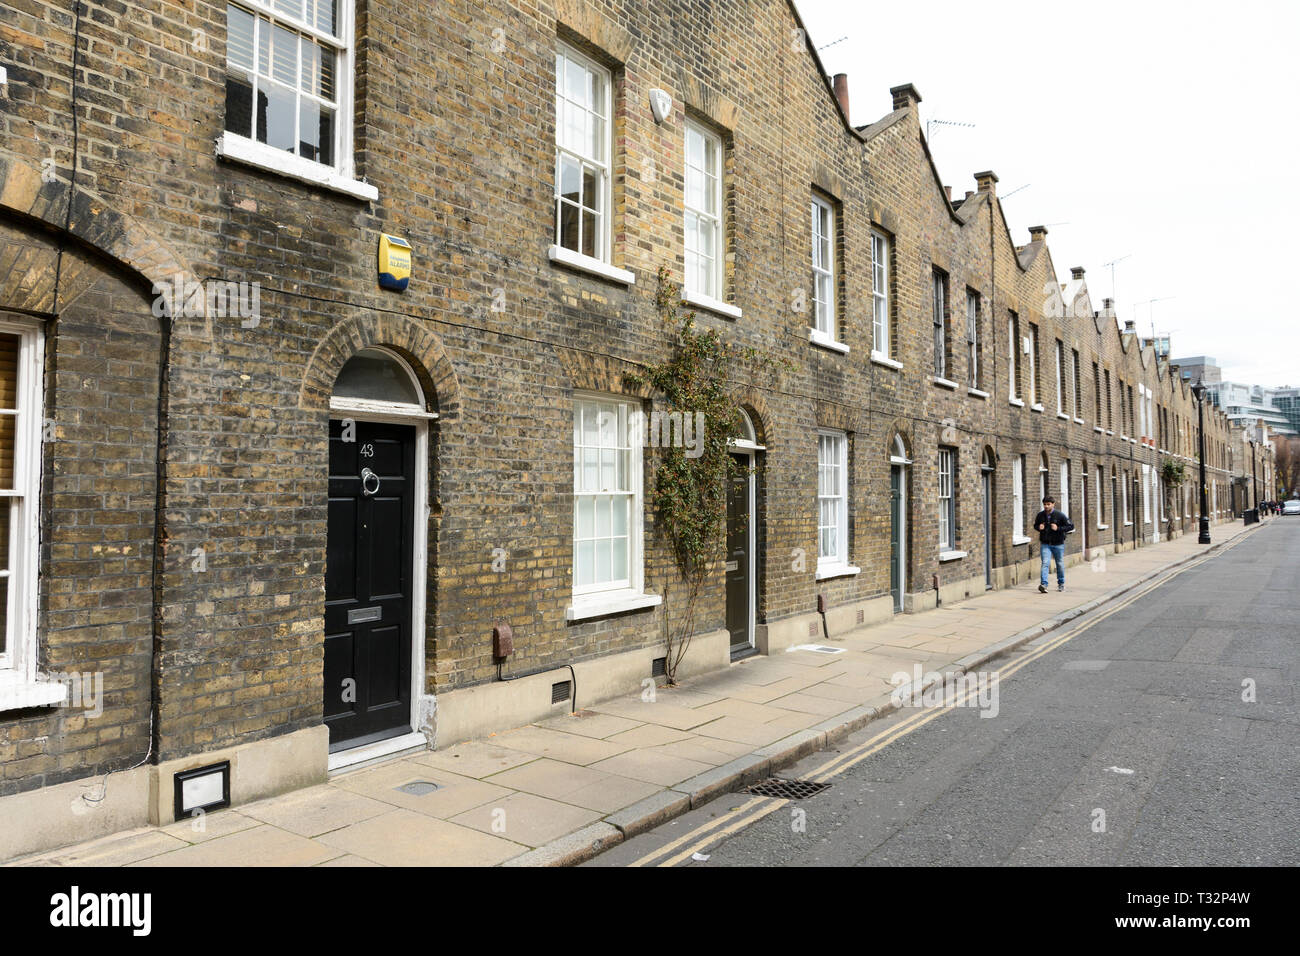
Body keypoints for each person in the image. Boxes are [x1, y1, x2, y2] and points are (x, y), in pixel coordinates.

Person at [1033, 495, 1074, 593]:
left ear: (1053, 504)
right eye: (1045, 504)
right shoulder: (1040, 515)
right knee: (1045, 563)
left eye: (1048, 504)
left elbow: (1071, 526)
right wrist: (1039, 527)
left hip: (1058, 544)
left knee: (1059, 564)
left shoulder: (1060, 515)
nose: (1046, 506)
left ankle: (1061, 584)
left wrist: (1058, 528)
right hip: (1045, 543)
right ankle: (1044, 584)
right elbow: (1035, 525)